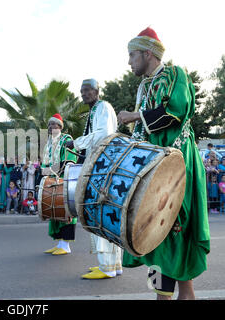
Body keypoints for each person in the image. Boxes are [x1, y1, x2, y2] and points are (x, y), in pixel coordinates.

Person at [117, 27, 210, 299]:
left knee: (174, 224)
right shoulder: (144, 86)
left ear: (148, 53)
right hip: (154, 164)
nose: (129, 61)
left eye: (133, 55)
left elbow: (175, 112)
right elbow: (141, 133)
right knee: (152, 233)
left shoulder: (175, 74)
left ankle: (182, 294)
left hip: (177, 162)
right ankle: (168, 295)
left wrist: (136, 116)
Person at [64, 79, 122, 278]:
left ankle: (107, 267)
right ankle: (114, 265)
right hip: (102, 166)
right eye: (82, 91)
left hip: (102, 167)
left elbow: (102, 134)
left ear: (97, 91)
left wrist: (77, 143)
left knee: (100, 214)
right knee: (107, 214)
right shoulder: (95, 110)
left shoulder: (103, 107)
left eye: (88, 90)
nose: (84, 94)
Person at [42, 113, 78, 256]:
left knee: (66, 211)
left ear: (60, 126)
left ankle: (66, 245)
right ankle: (59, 243)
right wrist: (44, 171)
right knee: (54, 211)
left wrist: (54, 170)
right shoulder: (49, 143)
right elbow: (45, 162)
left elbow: (69, 160)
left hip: (64, 179)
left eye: (55, 124)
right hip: (52, 180)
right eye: (50, 125)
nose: (52, 127)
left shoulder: (66, 139)